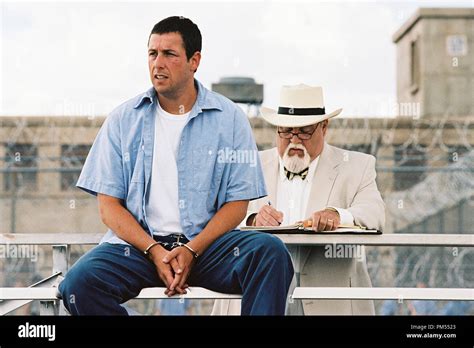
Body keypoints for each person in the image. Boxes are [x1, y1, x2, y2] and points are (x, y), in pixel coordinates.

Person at [58, 16, 294, 316]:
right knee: (78, 284)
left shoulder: (230, 118)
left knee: (270, 253)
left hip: (209, 249)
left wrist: (193, 249)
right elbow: (108, 207)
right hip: (139, 249)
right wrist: (154, 251)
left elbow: (237, 203)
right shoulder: (122, 120)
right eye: (152, 53)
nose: (158, 63)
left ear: (194, 61)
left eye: (169, 54)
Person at [213, 84, 385, 315]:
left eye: (303, 131)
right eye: (285, 131)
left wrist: (338, 216)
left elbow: (375, 213)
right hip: (260, 298)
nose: (294, 140)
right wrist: (252, 220)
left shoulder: (356, 166)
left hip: (330, 303)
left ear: (324, 127)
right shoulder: (248, 165)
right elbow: (215, 217)